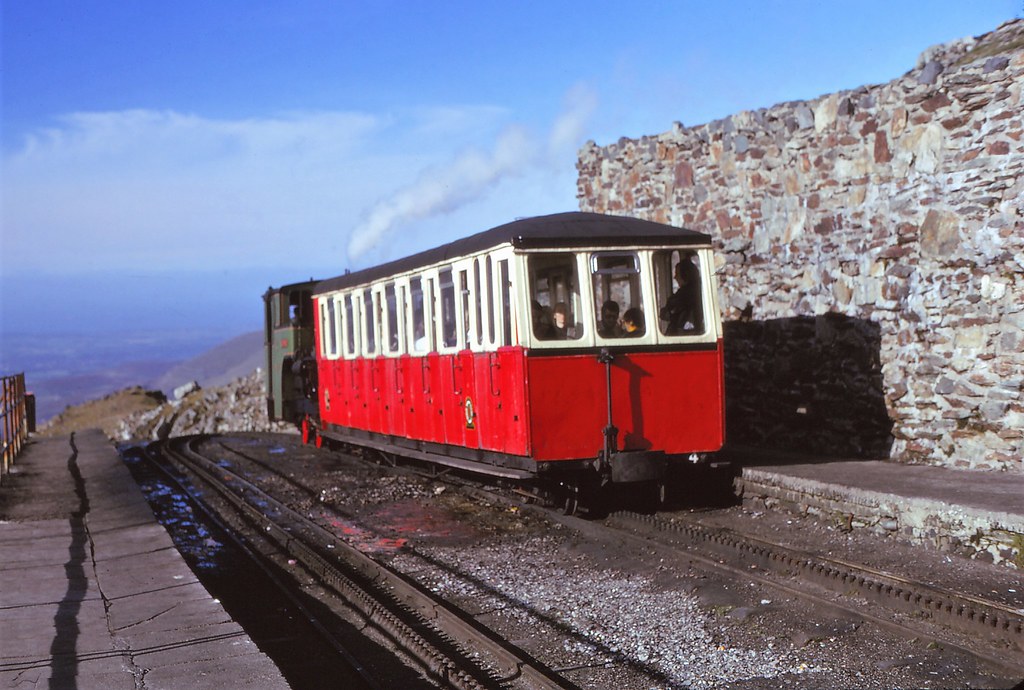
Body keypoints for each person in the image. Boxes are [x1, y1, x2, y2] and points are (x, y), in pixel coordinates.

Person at [660, 255, 703, 334]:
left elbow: (667, 313)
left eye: (677, 274)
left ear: (685, 275)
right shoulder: (698, 290)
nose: (675, 277)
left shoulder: (685, 295)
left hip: (685, 334)